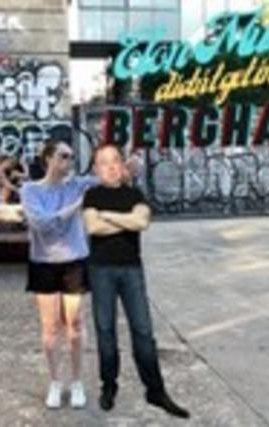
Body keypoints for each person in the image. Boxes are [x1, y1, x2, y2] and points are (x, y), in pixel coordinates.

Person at [82, 144, 190, 419]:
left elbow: (142, 222)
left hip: (131, 270)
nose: (110, 166)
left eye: (115, 161)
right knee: (105, 331)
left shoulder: (135, 194)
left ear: (122, 165)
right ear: (96, 169)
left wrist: (107, 215)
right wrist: (125, 220)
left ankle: (155, 391)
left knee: (143, 331)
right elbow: (93, 227)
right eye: (104, 162)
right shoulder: (92, 195)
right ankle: (109, 386)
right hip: (101, 270)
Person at [20, 139, 98, 409]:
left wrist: (128, 167)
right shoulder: (31, 190)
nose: (69, 161)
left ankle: (77, 382)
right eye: (64, 156)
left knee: (75, 324)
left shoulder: (78, 185)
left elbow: (111, 179)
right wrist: (76, 207)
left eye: (71, 157)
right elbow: (42, 224)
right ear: (49, 159)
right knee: (50, 326)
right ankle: (55, 382)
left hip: (74, 261)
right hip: (44, 263)